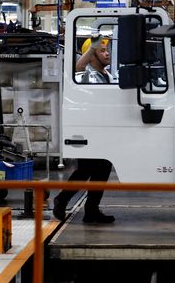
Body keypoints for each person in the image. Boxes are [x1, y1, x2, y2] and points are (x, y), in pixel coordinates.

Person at [54, 35, 115, 224]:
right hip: (89, 128)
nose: (107, 54)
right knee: (86, 169)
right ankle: (62, 200)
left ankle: (91, 210)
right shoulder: (85, 74)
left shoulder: (108, 75)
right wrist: (90, 49)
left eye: (107, 50)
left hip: (103, 129)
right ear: (91, 55)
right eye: (102, 50)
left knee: (102, 168)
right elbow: (76, 68)